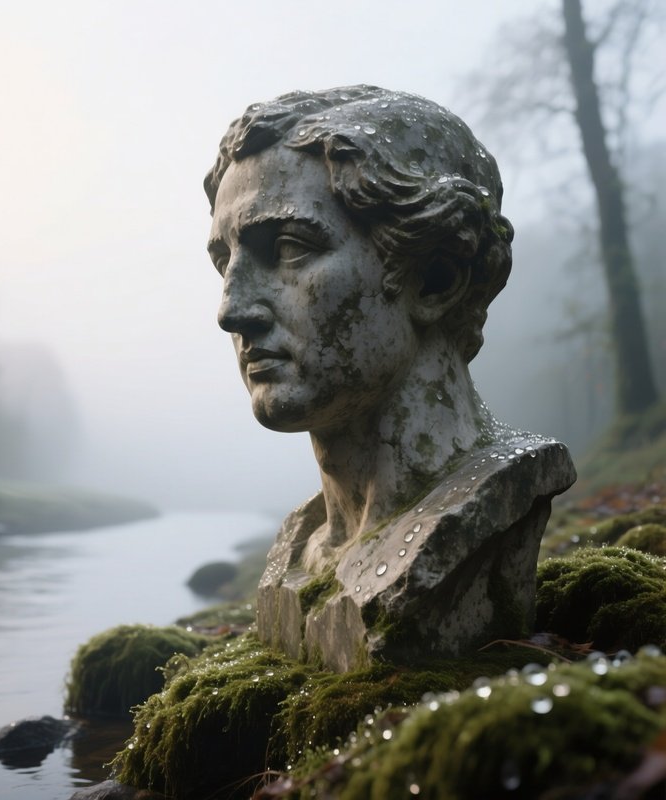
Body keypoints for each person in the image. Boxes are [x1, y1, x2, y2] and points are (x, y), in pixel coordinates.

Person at [205, 86, 575, 670]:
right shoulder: (300, 546)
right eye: (226, 263)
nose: (232, 309)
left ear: (436, 279)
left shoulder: (484, 499)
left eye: (288, 248)